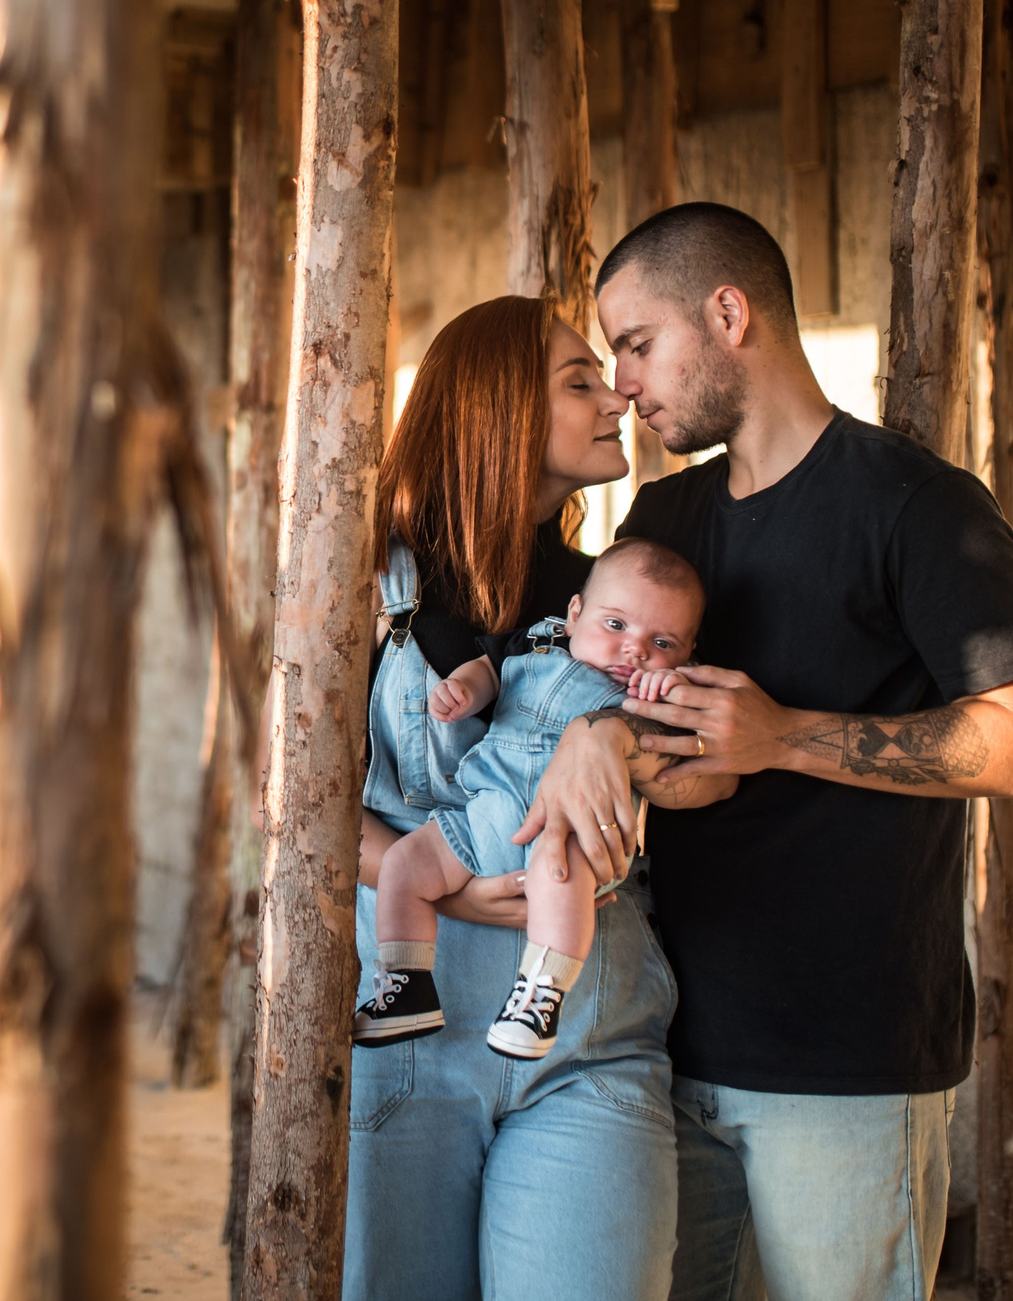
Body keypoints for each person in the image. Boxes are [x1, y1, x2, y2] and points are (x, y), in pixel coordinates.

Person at [577, 202, 1013, 1301]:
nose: (620, 381)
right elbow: (615, 714)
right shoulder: (660, 519)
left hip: (847, 1066)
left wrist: (782, 737)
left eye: (635, 341)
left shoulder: (917, 505)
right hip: (653, 1044)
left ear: (726, 311)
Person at [343, 295, 709, 1301]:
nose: (615, 398)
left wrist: (610, 728)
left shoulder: (625, 601)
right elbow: (290, 805)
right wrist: (447, 887)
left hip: (592, 1044)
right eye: (579, 380)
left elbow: (705, 755)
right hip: (408, 1042)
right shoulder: (364, 581)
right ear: (495, 405)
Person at [354, 539, 714, 1059]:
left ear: (688, 653)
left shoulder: (658, 694)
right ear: (574, 613)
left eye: (663, 642)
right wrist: (463, 691)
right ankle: (407, 981)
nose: (636, 650)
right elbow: (489, 669)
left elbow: (684, 754)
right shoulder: (537, 641)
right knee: (407, 863)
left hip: (572, 832)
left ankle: (541, 995)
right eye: (616, 626)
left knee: (559, 871)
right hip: (483, 815)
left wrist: (663, 695)